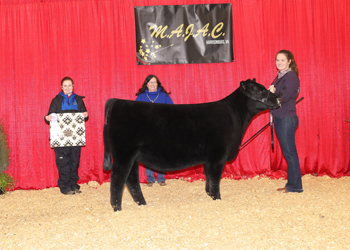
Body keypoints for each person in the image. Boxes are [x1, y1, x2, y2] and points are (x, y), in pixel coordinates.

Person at [45, 77, 88, 195]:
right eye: (65, 86)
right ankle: (65, 186)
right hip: (60, 138)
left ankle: (74, 184)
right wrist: (47, 117)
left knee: (74, 161)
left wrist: (85, 114)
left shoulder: (78, 100)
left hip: (75, 137)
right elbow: (49, 115)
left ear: (73, 86)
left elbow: (85, 114)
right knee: (63, 161)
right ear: (61, 87)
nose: (67, 88)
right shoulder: (56, 100)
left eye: (69, 85)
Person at [268, 50, 303, 193]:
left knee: (289, 152)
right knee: (288, 152)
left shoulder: (291, 77)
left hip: (286, 118)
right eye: (277, 60)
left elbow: (282, 97)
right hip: (281, 117)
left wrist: (272, 91)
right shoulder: (280, 76)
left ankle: (295, 186)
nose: (279, 62)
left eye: (282, 60)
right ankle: (292, 184)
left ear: (290, 61)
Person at [135, 74, 173, 187]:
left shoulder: (164, 96)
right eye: (150, 82)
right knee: (148, 154)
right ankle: (150, 178)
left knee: (161, 154)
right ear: (146, 84)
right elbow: (136, 113)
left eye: (154, 82)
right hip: (146, 130)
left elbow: (172, 111)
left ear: (158, 84)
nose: (152, 84)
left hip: (162, 129)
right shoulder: (141, 97)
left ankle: (161, 177)